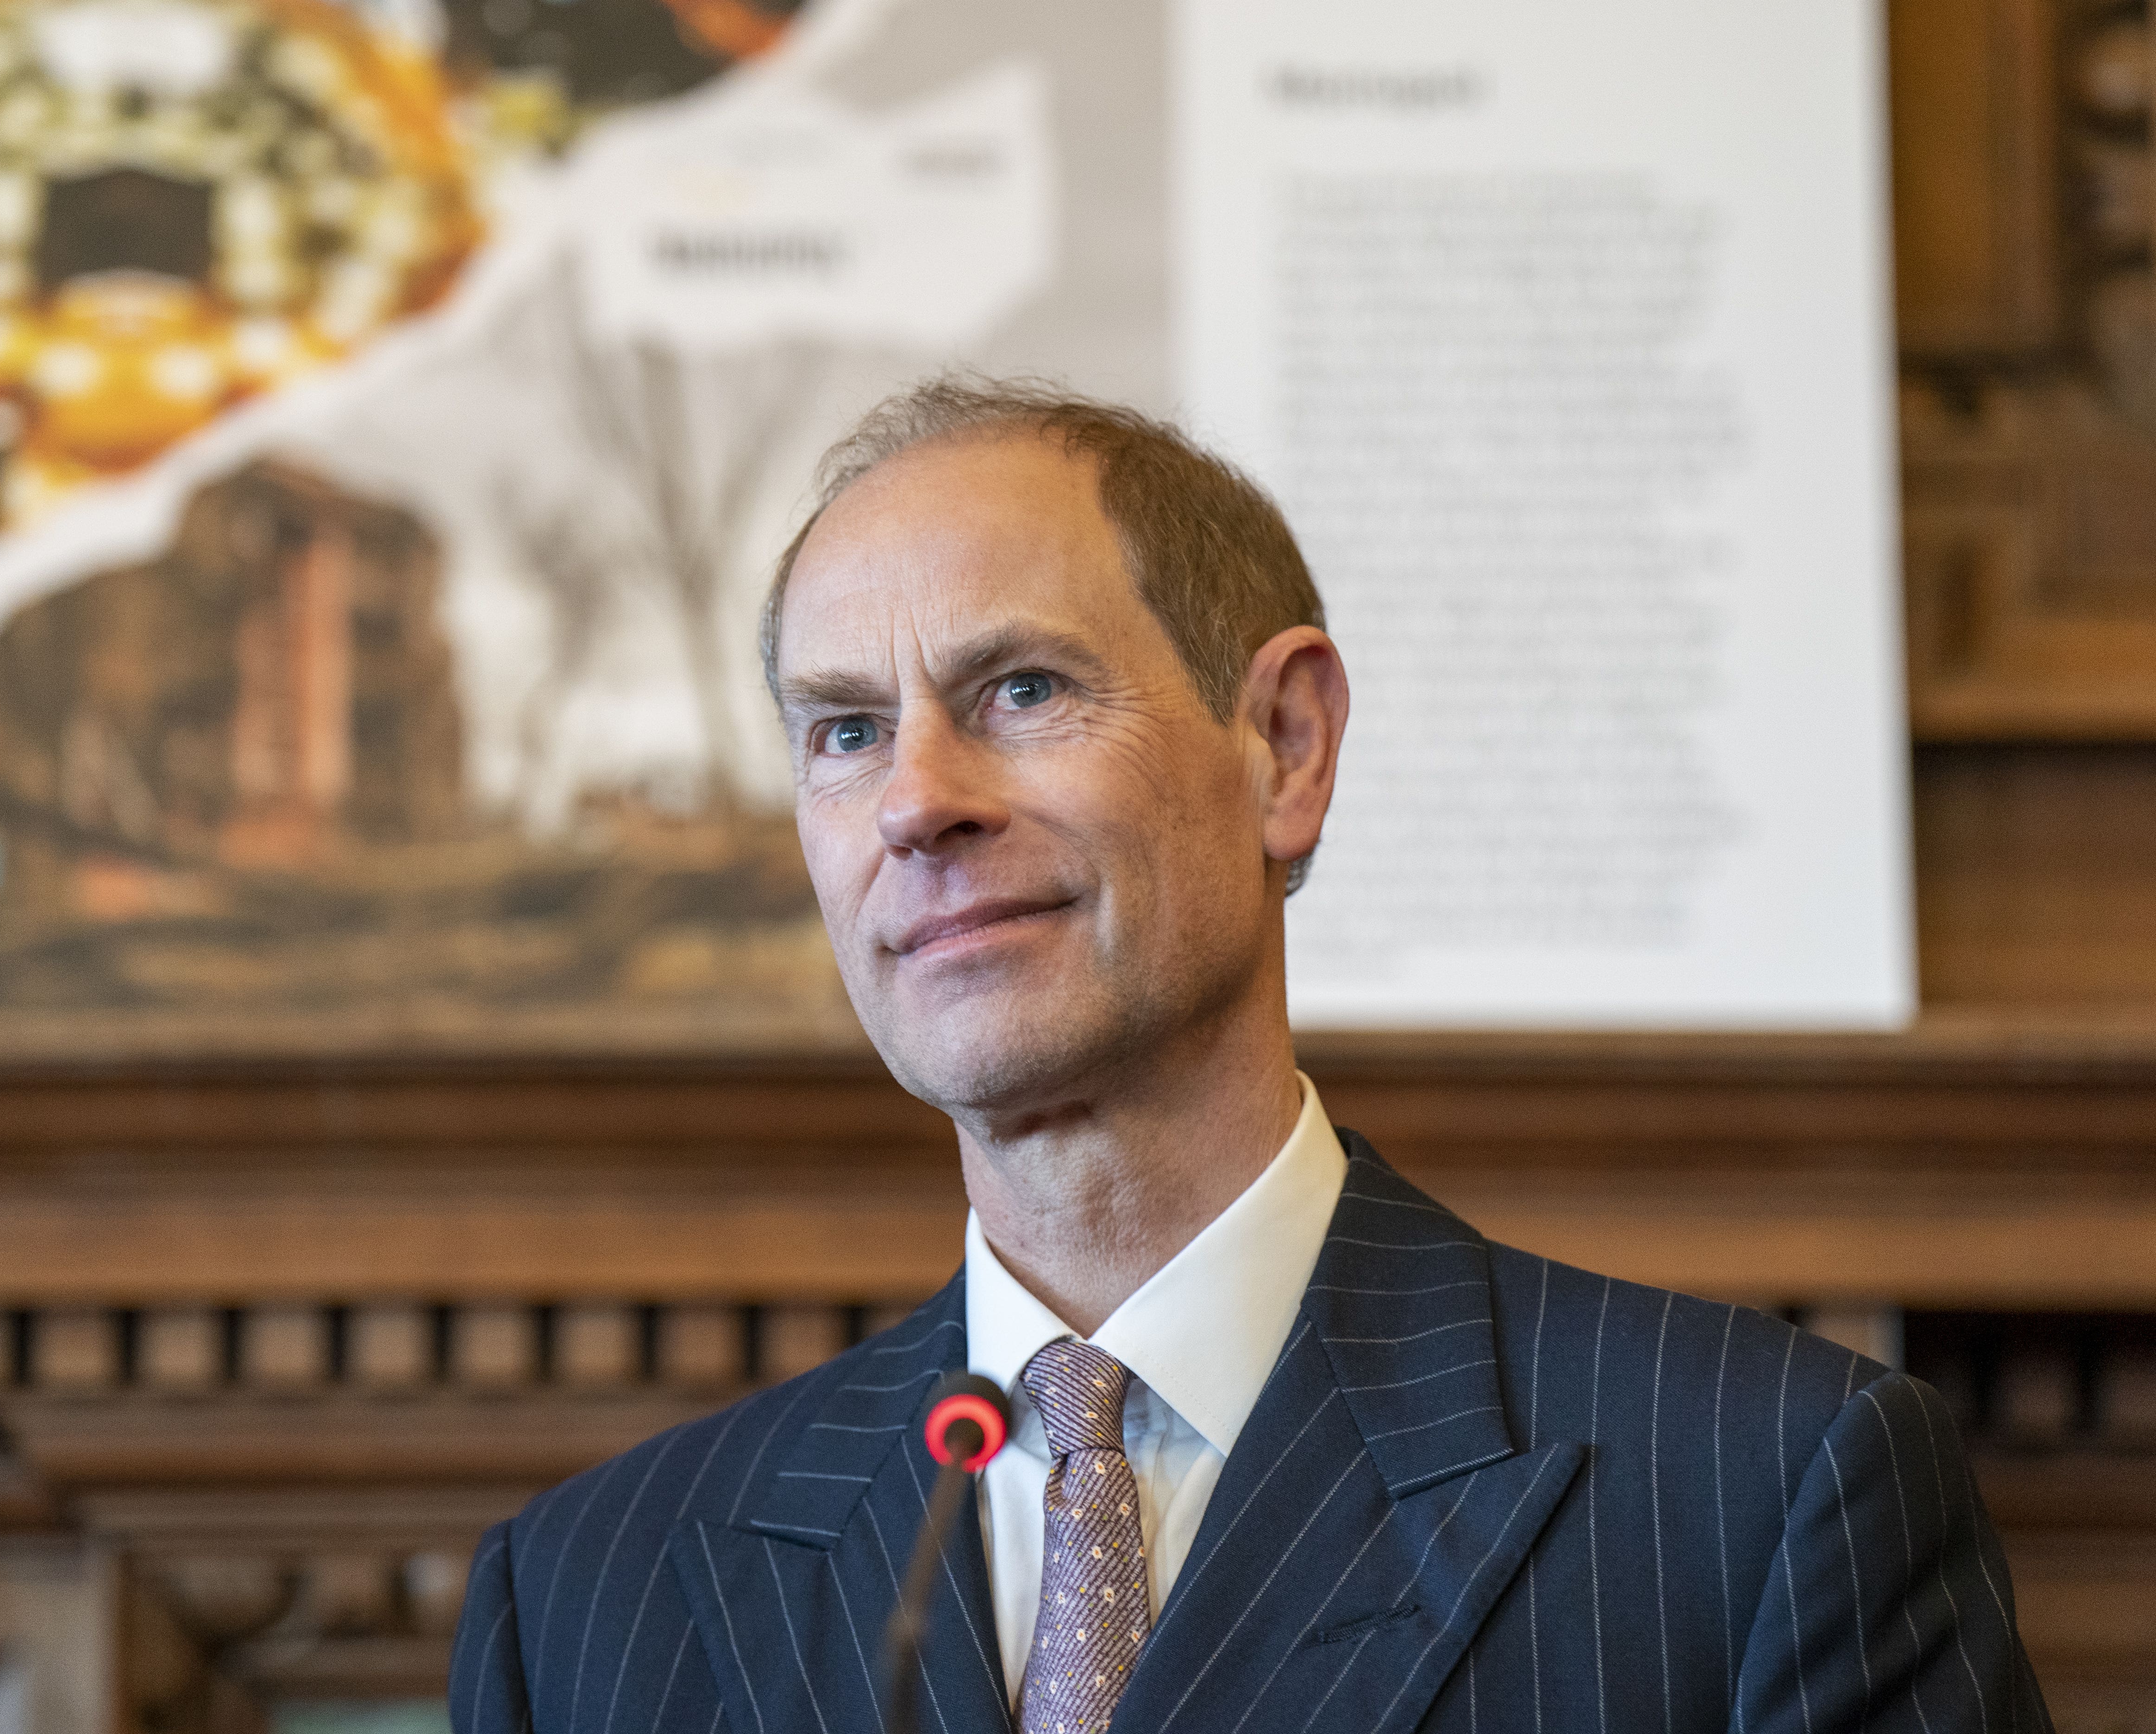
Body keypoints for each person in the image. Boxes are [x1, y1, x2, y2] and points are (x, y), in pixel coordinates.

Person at [448, 378, 2049, 1734]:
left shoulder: (1763, 1496)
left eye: (1019, 690)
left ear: (1285, 747)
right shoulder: (587, 1595)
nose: (913, 802)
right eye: (845, 731)